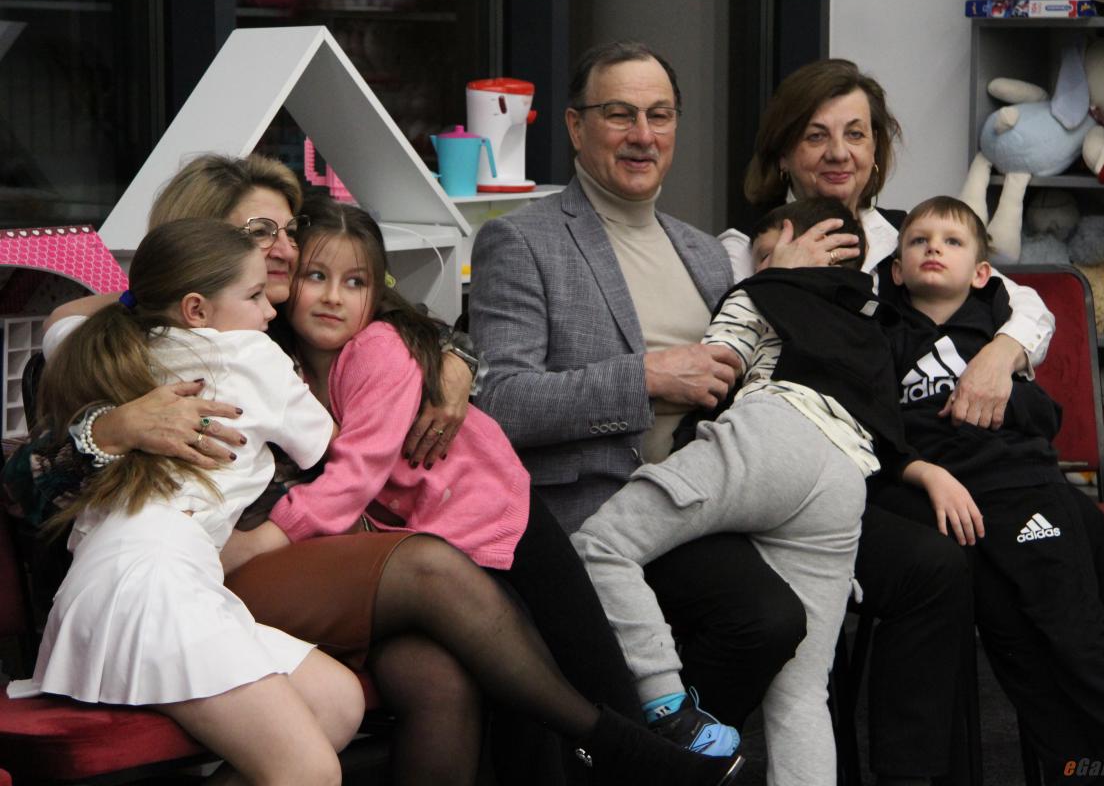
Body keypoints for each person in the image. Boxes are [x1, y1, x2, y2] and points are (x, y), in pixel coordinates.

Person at [23, 192, 746, 786]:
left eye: (288, 230)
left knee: (443, 675)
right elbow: (37, 454)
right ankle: (617, 744)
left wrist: (452, 363)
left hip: (337, 546)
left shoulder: (289, 332)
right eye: (257, 232)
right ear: (200, 271)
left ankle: (615, 745)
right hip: (221, 566)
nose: (280, 248)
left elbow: (417, 335)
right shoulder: (206, 343)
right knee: (436, 576)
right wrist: (110, 426)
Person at [725, 58, 1065, 783]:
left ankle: (1057, 743)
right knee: (943, 554)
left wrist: (999, 353)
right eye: (815, 135)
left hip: (896, 465)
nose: (839, 153)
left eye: (856, 134)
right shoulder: (744, 247)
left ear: (877, 150)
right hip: (800, 472)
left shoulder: (910, 239)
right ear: (783, 152)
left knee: (1022, 532)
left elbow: (1028, 306)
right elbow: (727, 356)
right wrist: (779, 274)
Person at [572, 196, 983, 786]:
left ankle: (668, 708)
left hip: (773, 436)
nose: (759, 267)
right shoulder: (877, 321)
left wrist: (765, 281)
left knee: (601, 546)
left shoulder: (764, 291)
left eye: (766, 254)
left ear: (796, 244)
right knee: (802, 695)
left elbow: (713, 367)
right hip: (845, 480)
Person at [229, 195, 645, 777]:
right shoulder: (269, 353)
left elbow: (356, 473)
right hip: (418, 540)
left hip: (489, 512)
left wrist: (269, 536)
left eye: (353, 282)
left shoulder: (375, 345)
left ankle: (643, 755)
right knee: (501, 686)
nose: (331, 296)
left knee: (577, 666)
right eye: (315, 277)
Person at [469, 40, 809, 743]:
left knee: (823, 590)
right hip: (593, 509)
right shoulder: (521, 241)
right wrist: (647, 377)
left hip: (703, 501)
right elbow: (501, 402)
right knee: (763, 618)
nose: (643, 135)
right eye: (619, 114)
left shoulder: (704, 251)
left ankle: (656, 755)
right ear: (575, 127)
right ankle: (658, 756)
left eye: (660, 115)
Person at [8, 219, 362, 786]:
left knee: (337, 703)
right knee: (310, 771)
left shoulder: (120, 347)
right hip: (154, 583)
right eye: (254, 295)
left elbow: (63, 321)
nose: (270, 309)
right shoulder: (254, 354)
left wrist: (145, 293)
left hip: (123, 577)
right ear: (196, 308)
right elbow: (331, 446)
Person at [874, 196, 1104, 779]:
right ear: (897, 270)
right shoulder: (884, 337)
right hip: (953, 505)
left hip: (1022, 489)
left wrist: (993, 403)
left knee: (1070, 631)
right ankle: (1074, 767)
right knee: (1013, 641)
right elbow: (881, 428)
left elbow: (1043, 416)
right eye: (919, 240)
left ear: (982, 272)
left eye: (952, 242)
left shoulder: (995, 332)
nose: (934, 248)